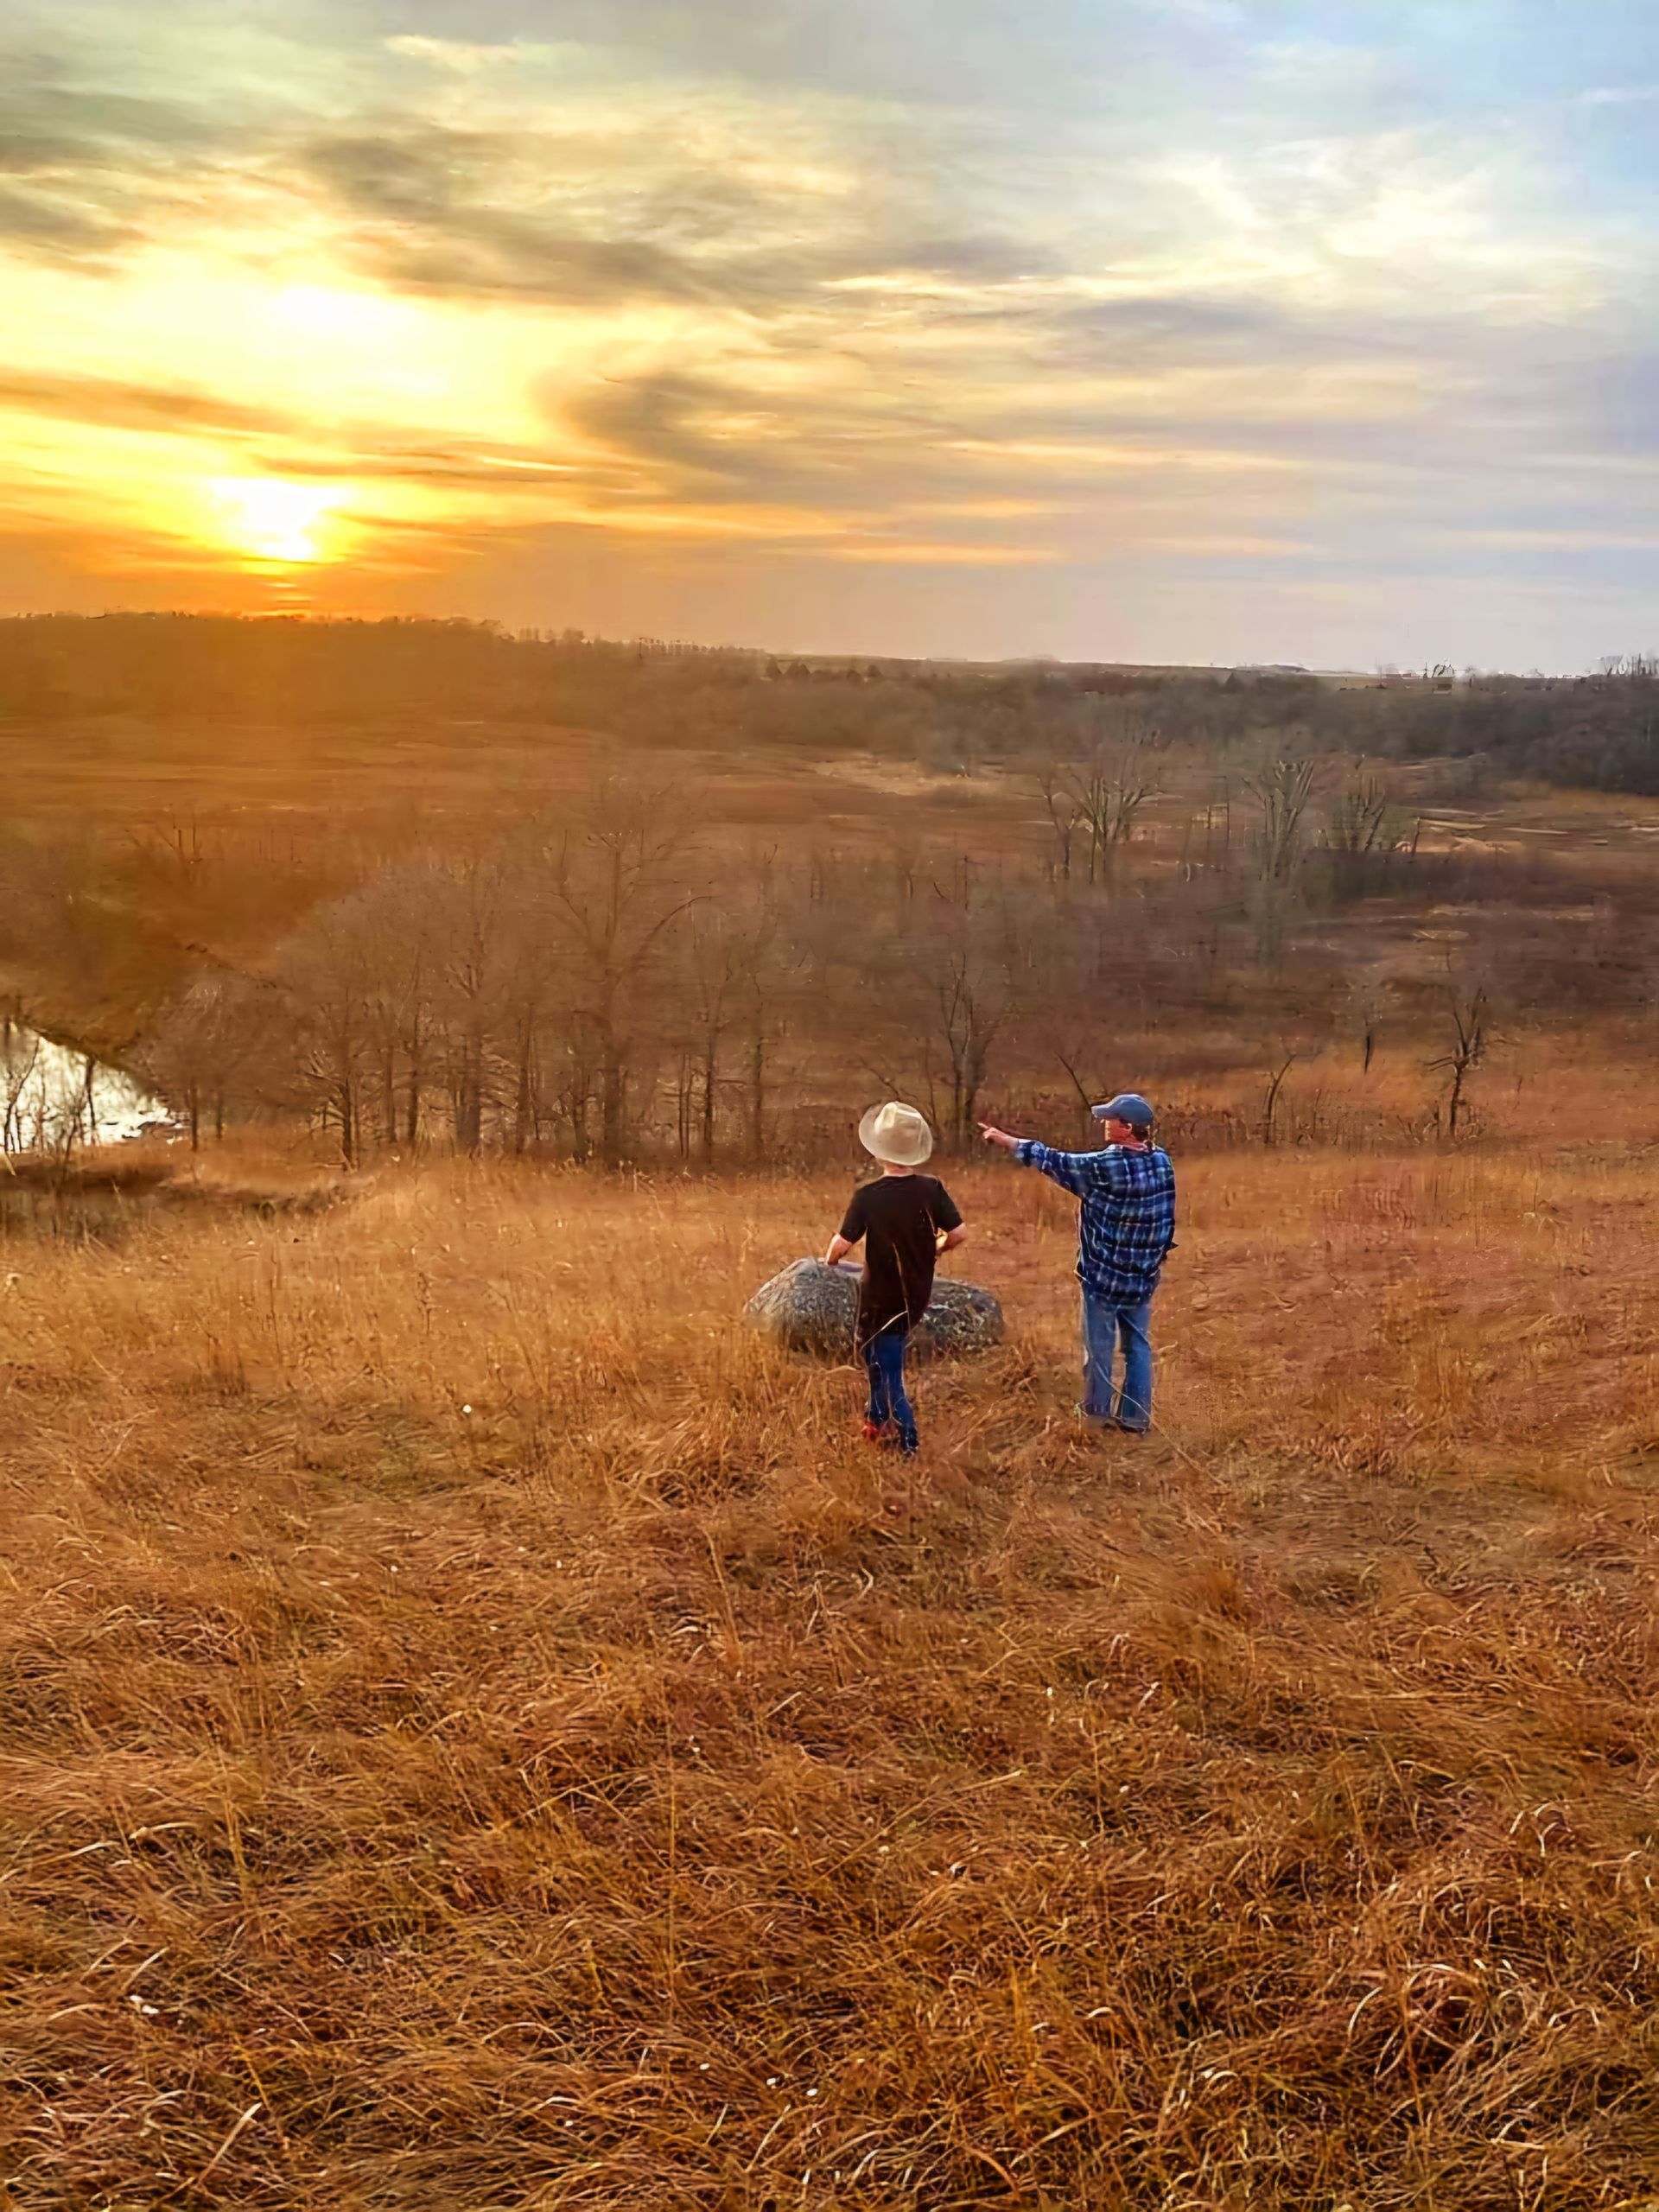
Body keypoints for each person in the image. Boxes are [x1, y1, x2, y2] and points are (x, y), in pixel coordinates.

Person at [980, 1092, 1175, 1433]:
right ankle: (1136, 1418)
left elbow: (1050, 1159)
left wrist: (1004, 1138)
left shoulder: (1104, 1167)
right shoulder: (1162, 1161)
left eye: (1110, 1119)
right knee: (1138, 1347)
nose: (1104, 1123)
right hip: (1143, 1277)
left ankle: (1097, 1417)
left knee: (1099, 1350)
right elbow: (1167, 1217)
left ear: (1127, 1128)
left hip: (1104, 1278)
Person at [824, 1101, 968, 1455]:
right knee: (875, 1356)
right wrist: (939, 1249)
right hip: (915, 1294)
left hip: (880, 1297)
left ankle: (908, 1444)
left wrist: (828, 1260)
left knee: (888, 1371)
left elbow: (842, 1245)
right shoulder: (931, 1189)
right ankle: (875, 1420)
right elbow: (960, 1233)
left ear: (879, 1150)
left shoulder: (869, 1196)